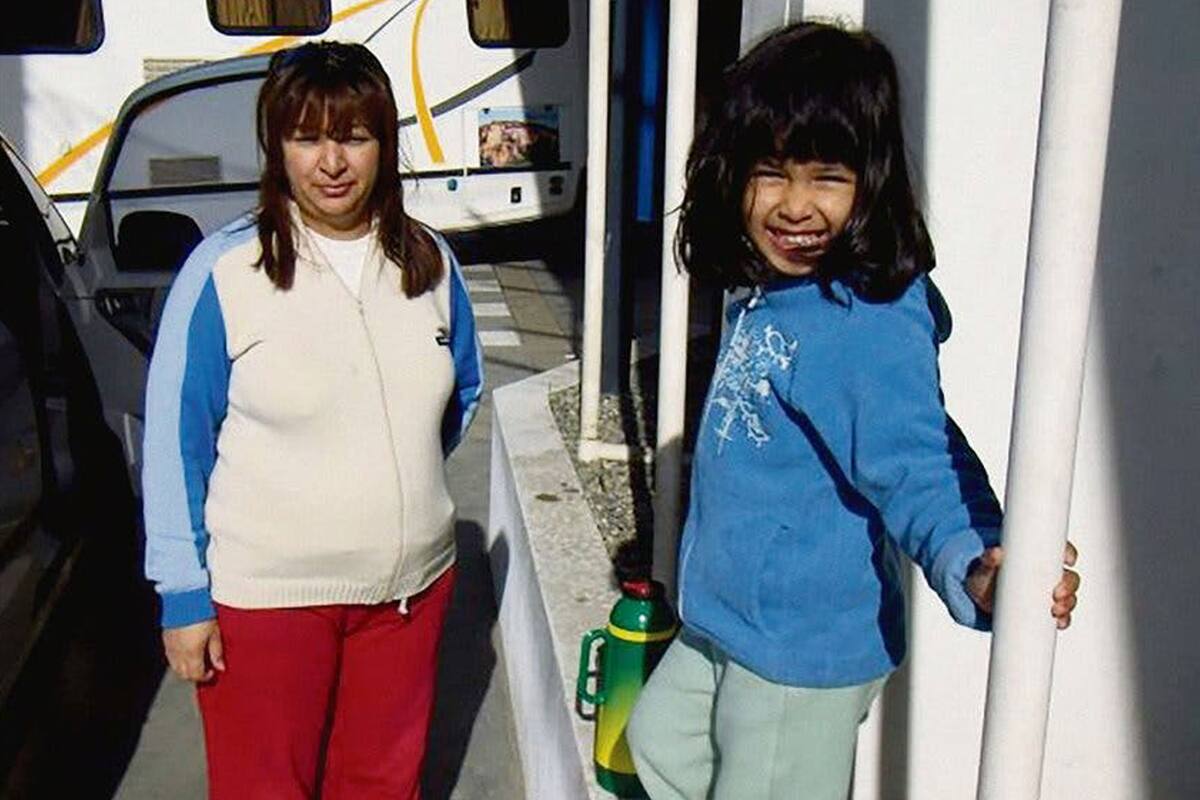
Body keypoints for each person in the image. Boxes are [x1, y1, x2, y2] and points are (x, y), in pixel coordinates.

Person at [625, 21, 1081, 800]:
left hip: (800, 655)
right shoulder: (773, 289)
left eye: (826, 177)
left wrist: (979, 557)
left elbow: (917, 458)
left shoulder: (862, 318)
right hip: (728, 621)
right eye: (771, 173)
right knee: (658, 743)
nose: (795, 206)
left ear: (871, 181)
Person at [141, 41, 483, 799]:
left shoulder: (430, 263)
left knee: (380, 788)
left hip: (407, 598)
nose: (332, 162)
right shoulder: (225, 272)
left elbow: (460, 397)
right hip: (266, 606)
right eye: (307, 137)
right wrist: (184, 596)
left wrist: (391, 482)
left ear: (384, 145)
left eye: (354, 136)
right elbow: (175, 445)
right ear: (277, 147)